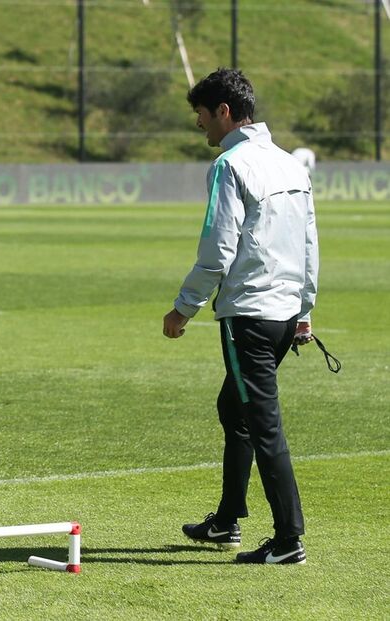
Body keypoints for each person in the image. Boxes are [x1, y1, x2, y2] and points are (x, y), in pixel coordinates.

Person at [162, 68, 319, 565]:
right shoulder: (292, 165)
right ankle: (228, 519)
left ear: (224, 113)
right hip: (284, 312)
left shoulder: (231, 164)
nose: (201, 126)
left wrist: (183, 307)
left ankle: (289, 538)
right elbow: (308, 244)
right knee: (235, 409)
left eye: (202, 116)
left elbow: (218, 247)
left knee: (261, 422)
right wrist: (305, 311)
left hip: (249, 315)